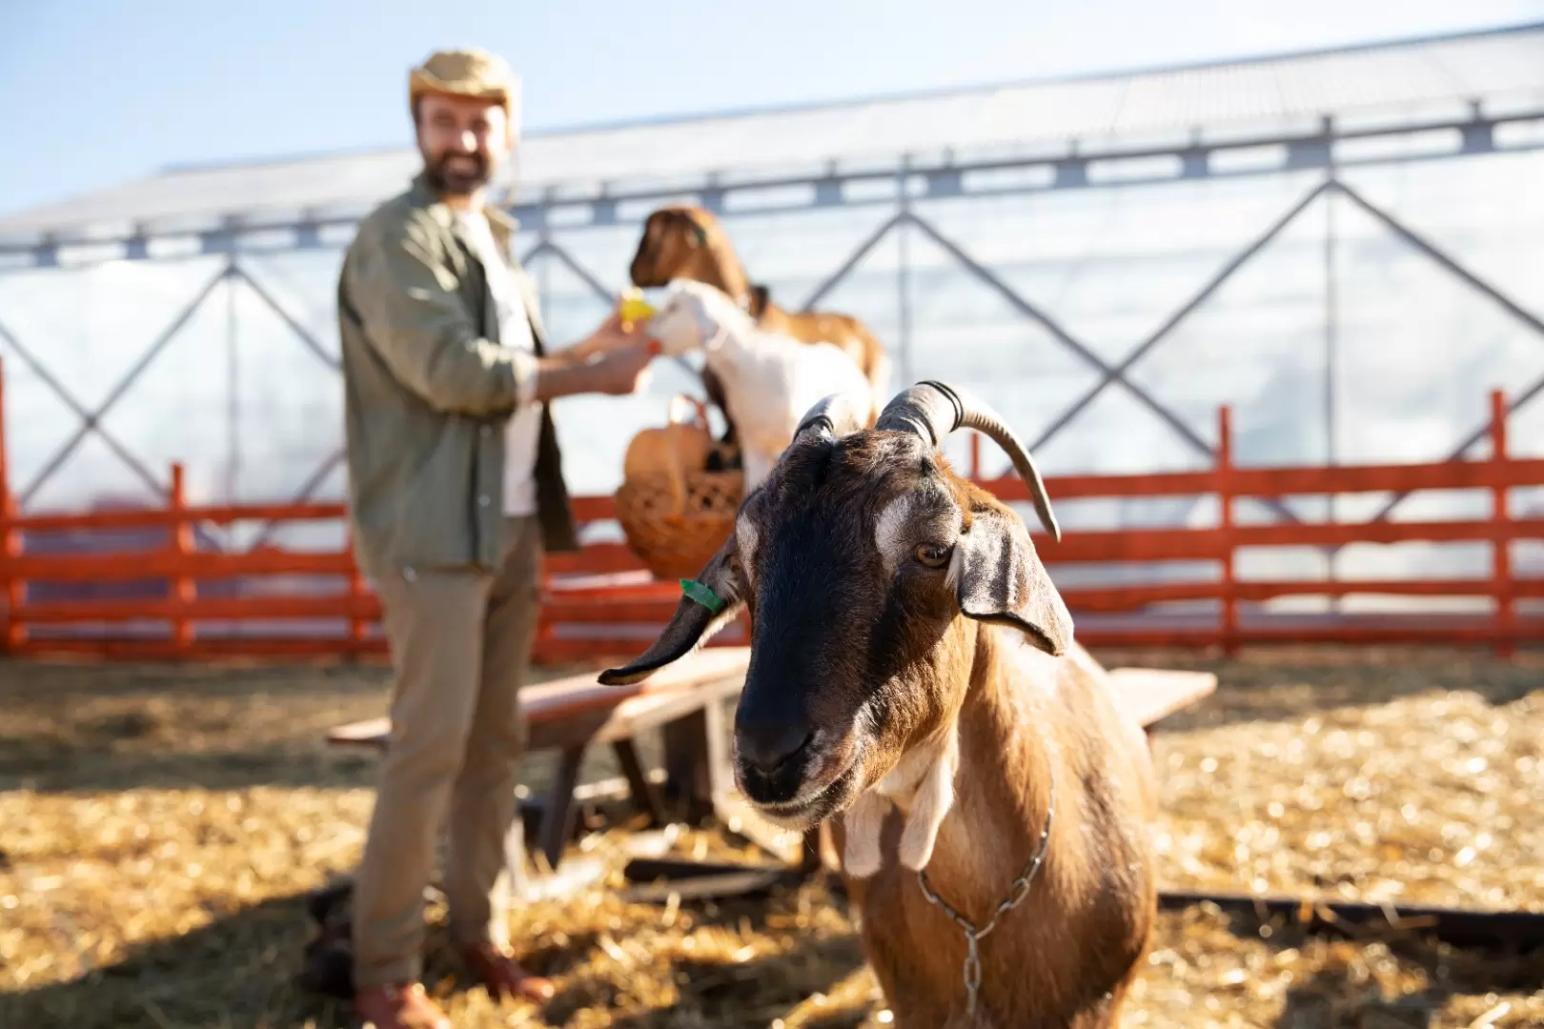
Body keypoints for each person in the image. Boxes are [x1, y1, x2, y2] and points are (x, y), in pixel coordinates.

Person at [337, 47, 653, 1029]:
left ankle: (478, 930)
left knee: (491, 744)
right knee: (427, 748)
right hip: (433, 531)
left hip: (507, 522)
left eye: (479, 121)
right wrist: (590, 379)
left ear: (505, 131)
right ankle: (385, 974)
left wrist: (600, 344)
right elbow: (454, 372)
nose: (462, 138)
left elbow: (517, 366)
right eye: (442, 120)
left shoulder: (490, 238)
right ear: (419, 129)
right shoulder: (399, 238)